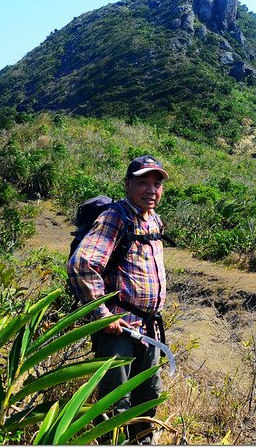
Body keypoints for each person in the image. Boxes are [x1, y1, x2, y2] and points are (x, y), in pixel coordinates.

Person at [67, 155, 169, 444]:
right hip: (120, 331)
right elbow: (81, 265)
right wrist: (102, 314)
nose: (151, 190)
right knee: (116, 403)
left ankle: (144, 442)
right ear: (127, 184)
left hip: (148, 331)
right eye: (143, 182)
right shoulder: (115, 217)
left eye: (157, 183)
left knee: (148, 397)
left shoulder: (154, 219)